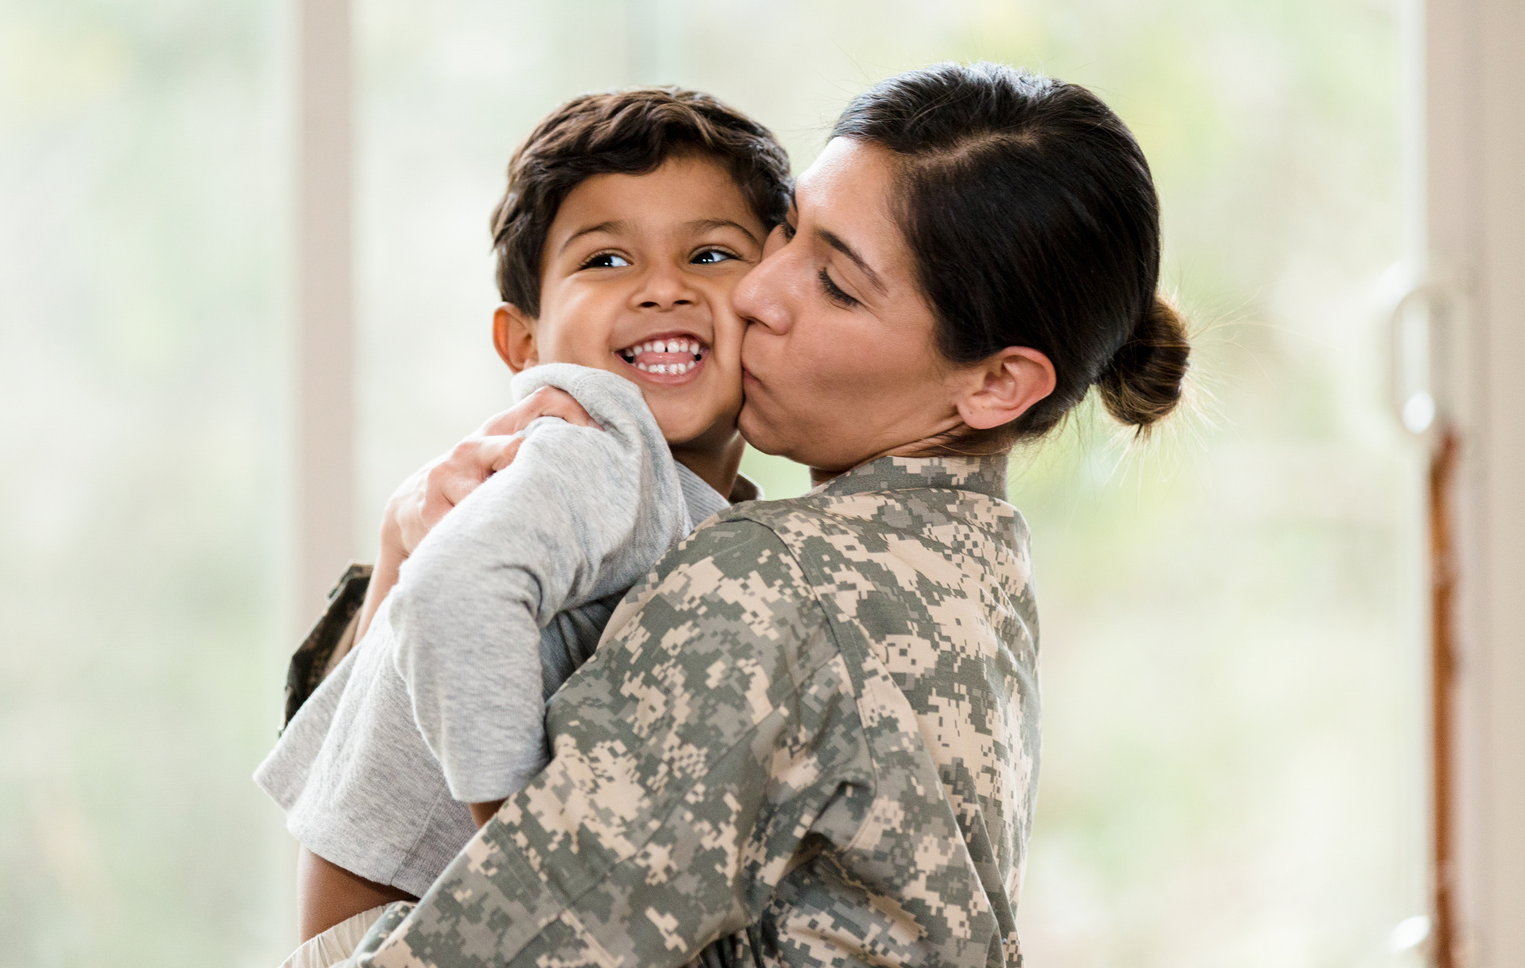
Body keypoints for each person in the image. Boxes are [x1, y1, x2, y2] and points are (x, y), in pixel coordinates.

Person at [343, 61, 1191, 968]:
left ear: (996, 383)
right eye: (788, 229)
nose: (753, 291)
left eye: (835, 282)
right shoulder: (975, 564)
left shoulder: (766, 582)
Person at [254, 87, 793, 966]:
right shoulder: (596, 443)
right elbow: (451, 599)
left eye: (709, 252)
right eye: (607, 260)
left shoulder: (687, 508)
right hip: (417, 929)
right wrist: (527, 859)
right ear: (524, 342)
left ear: (775, 300)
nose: (664, 287)